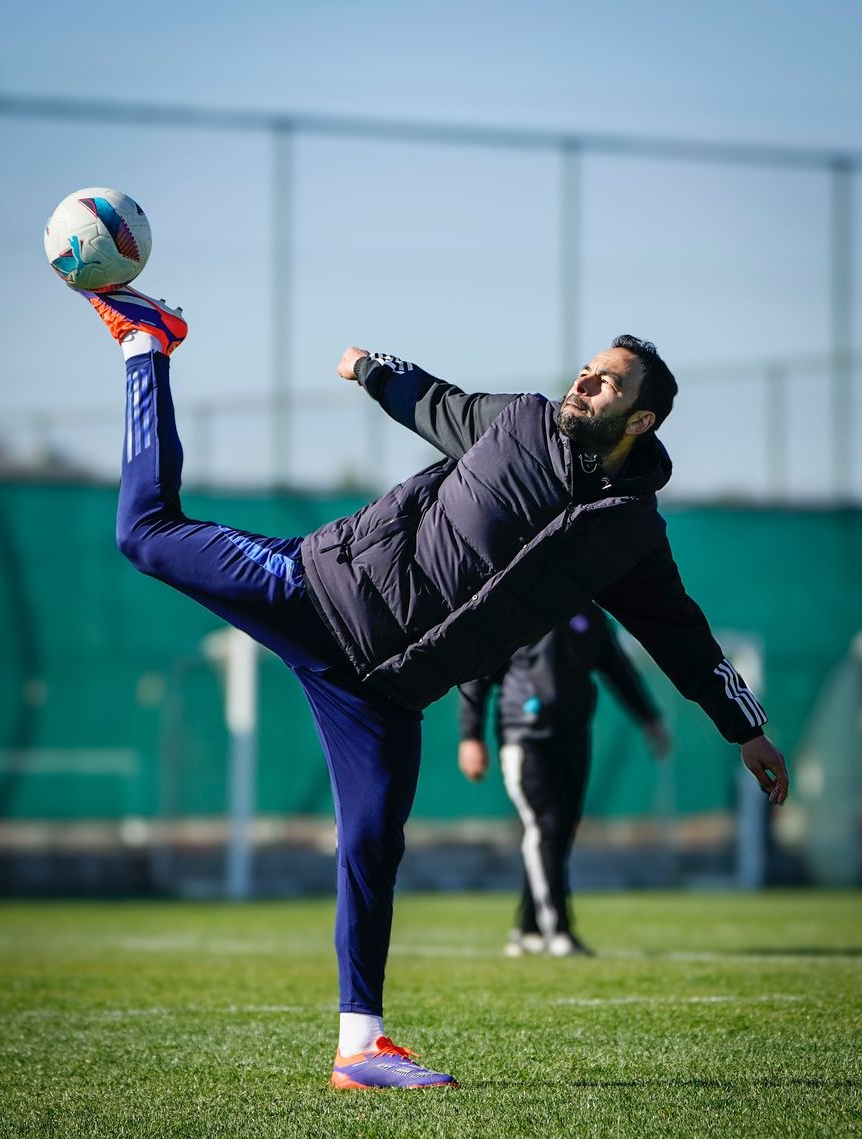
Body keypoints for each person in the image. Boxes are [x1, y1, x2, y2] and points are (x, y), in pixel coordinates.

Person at [63, 282, 789, 1090]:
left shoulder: (628, 533)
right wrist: (372, 368)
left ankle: (361, 1048)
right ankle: (146, 343)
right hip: (318, 593)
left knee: (373, 841)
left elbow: (682, 634)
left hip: (386, 693)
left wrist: (745, 727)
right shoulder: (517, 421)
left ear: (641, 420)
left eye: (608, 380)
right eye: (588, 369)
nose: (584, 382)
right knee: (146, 533)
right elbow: (432, 400)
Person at [458, 603, 671, 958]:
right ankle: (557, 930)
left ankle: (527, 930)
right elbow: (477, 673)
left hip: (574, 738)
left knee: (558, 835)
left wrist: (649, 718)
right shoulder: (514, 605)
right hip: (524, 735)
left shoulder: (589, 612)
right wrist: (471, 736)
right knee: (547, 827)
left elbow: (617, 668)